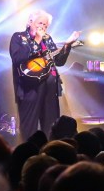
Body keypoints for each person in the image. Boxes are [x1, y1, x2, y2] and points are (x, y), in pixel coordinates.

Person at [10, 9, 81, 142]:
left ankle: (50, 152)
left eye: (45, 25)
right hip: (29, 89)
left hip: (50, 87)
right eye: (40, 23)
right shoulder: (19, 37)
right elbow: (18, 58)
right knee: (29, 127)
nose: (43, 27)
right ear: (30, 22)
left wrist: (67, 45)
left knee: (51, 125)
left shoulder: (47, 39)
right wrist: (37, 40)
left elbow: (59, 61)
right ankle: (29, 154)